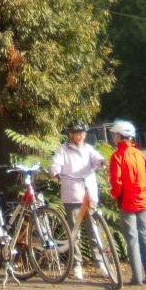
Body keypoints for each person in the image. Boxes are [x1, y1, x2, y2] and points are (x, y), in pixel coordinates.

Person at [49, 119, 109, 280]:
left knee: (93, 231)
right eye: (77, 134)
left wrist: (102, 162)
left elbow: (97, 158)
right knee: (74, 233)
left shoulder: (89, 149)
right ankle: (76, 265)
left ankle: (99, 264)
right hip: (72, 195)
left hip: (89, 195)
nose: (81, 136)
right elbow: (56, 164)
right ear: (70, 135)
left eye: (83, 133)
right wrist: (55, 172)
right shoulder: (63, 150)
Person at [108, 119, 146, 286]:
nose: (114, 139)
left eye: (115, 136)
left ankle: (137, 277)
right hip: (143, 200)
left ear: (119, 136)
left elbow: (117, 183)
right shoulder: (140, 154)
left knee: (132, 238)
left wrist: (114, 195)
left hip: (127, 202)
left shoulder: (117, 156)